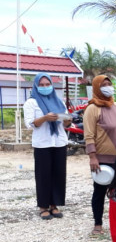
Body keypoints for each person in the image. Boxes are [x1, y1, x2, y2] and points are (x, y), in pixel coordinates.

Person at [84, 75, 116, 236]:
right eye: (103, 84)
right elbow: (89, 134)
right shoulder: (92, 109)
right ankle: (98, 224)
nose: (107, 87)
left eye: (109, 84)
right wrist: (92, 156)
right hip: (103, 160)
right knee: (99, 191)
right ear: (97, 88)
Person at [23, 73, 71, 220]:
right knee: (43, 175)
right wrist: (45, 118)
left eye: (47, 84)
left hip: (59, 142)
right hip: (42, 144)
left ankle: (54, 205)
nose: (45, 87)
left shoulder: (59, 102)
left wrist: (67, 120)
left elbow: (66, 123)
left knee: (58, 174)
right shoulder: (31, 102)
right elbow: (30, 124)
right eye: (41, 85)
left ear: (51, 85)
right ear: (36, 86)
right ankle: (43, 206)